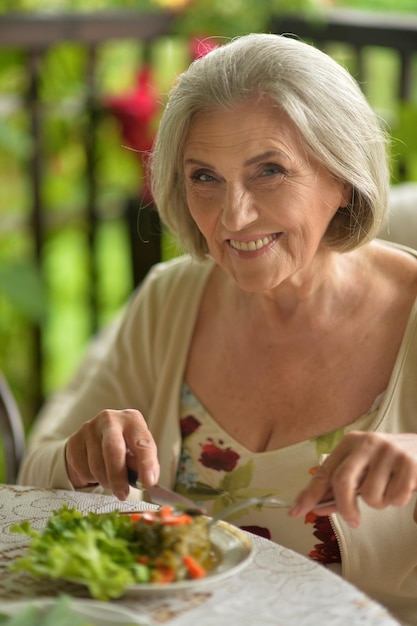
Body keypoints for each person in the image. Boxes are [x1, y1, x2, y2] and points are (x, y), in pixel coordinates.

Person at [18, 33, 417, 624]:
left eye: (270, 171)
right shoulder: (171, 298)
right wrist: (78, 460)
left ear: (342, 176)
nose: (233, 216)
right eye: (205, 177)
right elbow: (33, 474)